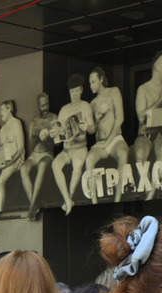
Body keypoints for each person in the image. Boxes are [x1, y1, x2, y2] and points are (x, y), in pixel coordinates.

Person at [134, 51, 162, 200]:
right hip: (145, 135)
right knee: (140, 156)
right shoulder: (143, 89)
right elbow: (142, 118)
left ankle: (152, 193)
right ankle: (147, 189)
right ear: (157, 65)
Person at [84, 67, 131, 203]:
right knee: (89, 160)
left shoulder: (114, 92)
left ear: (101, 79)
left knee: (123, 154)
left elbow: (120, 119)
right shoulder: (92, 104)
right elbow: (92, 130)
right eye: (90, 83)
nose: (91, 85)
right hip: (100, 143)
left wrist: (108, 141)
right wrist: (98, 118)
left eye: (93, 82)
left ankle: (117, 199)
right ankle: (94, 201)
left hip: (115, 139)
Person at [50, 74, 94, 214]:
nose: (74, 94)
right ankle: (68, 199)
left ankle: (68, 199)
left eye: (76, 90)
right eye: (71, 91)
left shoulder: (85, 106)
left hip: (80, 147)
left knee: (78, 164)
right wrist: (54, 133)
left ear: (81, 90)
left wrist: (87, 127)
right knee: (55, 164)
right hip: (67, 149)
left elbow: (93, 128)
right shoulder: (64, 109)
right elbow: (58, 128)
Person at [19, 92, 58, 219]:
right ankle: (34, 204)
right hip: (34, 154)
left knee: (42, 167)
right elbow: (30, 145)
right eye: (42, 105)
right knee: (23, 169)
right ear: (38, 106)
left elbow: (57, 144)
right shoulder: (34, 122)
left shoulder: (54, 118)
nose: (45, 108)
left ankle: (31, 207)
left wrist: (49, 138)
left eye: (47, 104)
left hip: (47, 154)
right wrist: (36, 135)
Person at [0, 100, 25, 213]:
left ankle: (0, 212)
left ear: (9, 109)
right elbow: (2, 150)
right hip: (6, 161)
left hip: (17, 159)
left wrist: (10, 162)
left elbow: (21, 148)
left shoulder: (16, 123)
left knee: (0, 181)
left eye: (2, 110)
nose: (0, 113)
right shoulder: (2, 129)